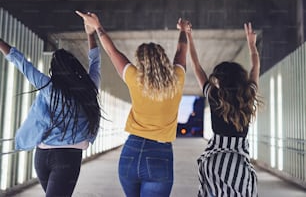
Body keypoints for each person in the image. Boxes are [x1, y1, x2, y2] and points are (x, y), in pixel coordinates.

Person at [76, 10, 190, 197]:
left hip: (131, 152)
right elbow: (181, 51)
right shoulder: (177, 79)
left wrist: (98, 27)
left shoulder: (135, 78)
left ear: (140, 62)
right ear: (163, 59)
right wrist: (183, 30)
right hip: (159, 155)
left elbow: (112, 52)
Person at [0, 22, 102, 197]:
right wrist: (91, 34)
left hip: (41, 156)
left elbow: (21, 62)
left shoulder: (49, 88)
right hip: (68, 158)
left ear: (54, 70)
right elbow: (96, 61)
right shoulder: (89, 88)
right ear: (75, 68)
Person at [187, 22, 260, 197]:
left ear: (219, 80)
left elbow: (196, 66)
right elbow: (255, 67)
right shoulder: (247, 96)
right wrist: (252, 45)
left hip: (213, 163)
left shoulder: (214, 96)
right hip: (240, 167)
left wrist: (188, 35)